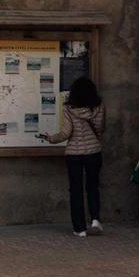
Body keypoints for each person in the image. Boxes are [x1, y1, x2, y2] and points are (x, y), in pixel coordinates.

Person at [39, 77, 106, 237]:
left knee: (76, 190)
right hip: (94, 152)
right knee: (92, 186)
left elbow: (66, 133)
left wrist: (50, 138)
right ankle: (95, 218)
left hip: (74, 155)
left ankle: (80, 228)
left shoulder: (69, 109)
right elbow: (101, 128)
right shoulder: (99, 107)